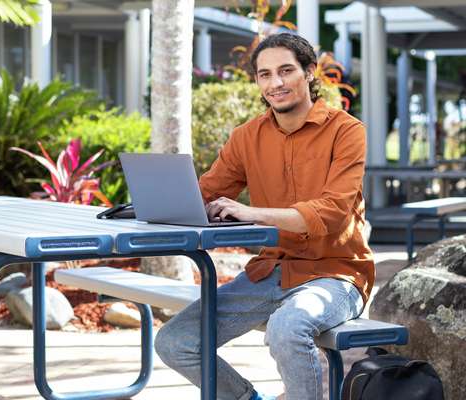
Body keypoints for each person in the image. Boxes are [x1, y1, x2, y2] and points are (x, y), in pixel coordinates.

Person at [154, 33, 374, 400]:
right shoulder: (247, 137)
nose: (276, 83)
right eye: (265, 74)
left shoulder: (346, 132)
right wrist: (156, 204)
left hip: (337, 274)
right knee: (176, 341)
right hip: (270, 271)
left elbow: (332, 214)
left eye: (286, 71)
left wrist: (249, 213)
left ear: (308, 72)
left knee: (287, 328)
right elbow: (205, 192)